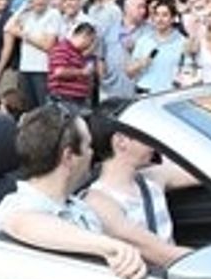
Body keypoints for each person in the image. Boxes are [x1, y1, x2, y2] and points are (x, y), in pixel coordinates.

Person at [0, 103, 145, 279]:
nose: (92, 153)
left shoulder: (79, 207)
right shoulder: (17, 206)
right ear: (68, 157)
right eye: (88, 146)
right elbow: (20, 222)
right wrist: (110, 247)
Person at [84, 101, 196, 267]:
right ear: (121, 141)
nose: (153, 140)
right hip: (157, 277)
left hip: (179, 269)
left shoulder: (152, 178)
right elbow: (162, 254)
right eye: (145, 134)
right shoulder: (100, 203)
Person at [2, 0, 61, 111]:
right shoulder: (28, 15)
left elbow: (47, 45)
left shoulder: (53, 14)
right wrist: (23, 7)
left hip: (43, 70)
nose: (40, 0)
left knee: (45, 109)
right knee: (28, 108)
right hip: (25, 68)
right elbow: (7, 27)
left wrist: (23, 34)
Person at [126, 0, 186, 94]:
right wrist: (140, 64)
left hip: (171, 94)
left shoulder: (182, 42)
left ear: (173, 18)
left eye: (165, 15)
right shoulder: (143, 40)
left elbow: (188, 73)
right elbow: (129, 73)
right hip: (145, 93)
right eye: (157, 15)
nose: (159, 19)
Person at [47, 20, 96, 107]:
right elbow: (59, 72)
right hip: (64, 99)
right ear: (84, 37)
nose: (90, 45)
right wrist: (82, 72)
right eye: (91, 41)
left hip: (76, 99)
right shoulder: (63, 49)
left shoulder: (78, 54)